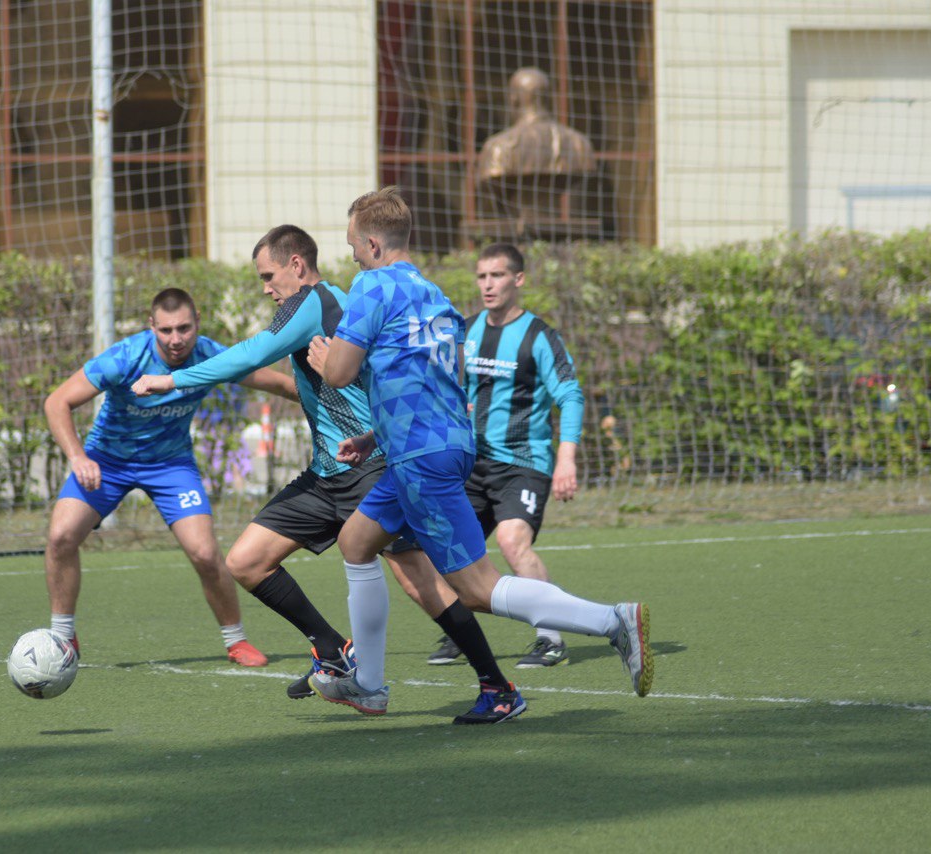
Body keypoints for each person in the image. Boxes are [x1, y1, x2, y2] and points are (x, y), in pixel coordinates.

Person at [132, 226, 512, 723]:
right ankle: (333, 648)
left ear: (296, 264)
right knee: (246, 561)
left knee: (422, 581)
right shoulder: (320, 303)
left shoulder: (311, 300)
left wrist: (171, 379)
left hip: (370, 467)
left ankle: (495, 684)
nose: (266, 287)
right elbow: (291, 375)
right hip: (328, 474)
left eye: (269, 276)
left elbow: (251, 354)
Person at [306, 187, 652, 721]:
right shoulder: (435, 295)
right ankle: (369, 684)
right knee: (355, 541)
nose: (350, 253)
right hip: (437, 446)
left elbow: (341, 374)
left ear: (373, 243)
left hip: (421, 458)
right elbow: (435, 380)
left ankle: (612, 620)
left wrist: (325, 358)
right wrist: (377, 436)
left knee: (476, 589)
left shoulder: (372, 286)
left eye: (352, 243)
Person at [42, 288, 296, 668]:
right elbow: (56, 402)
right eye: (165, 330)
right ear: (151, 327)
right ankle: (62, 636)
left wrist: (331, 399)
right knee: (61, 536)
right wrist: (78, 457)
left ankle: (236, 641)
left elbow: (274, 383)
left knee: (206, 554)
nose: (175, 339)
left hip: (170, 466)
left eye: (183, 328)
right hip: (106, 462)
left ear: (197, 325)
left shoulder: (210, 354)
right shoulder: (126, 357)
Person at [425, 242, 582, 669]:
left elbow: (570, 395)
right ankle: (458, 632)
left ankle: (550, 638)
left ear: (518, 279)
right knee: (448, 546)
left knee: (513, 542)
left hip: (522, 464)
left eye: (497, 275)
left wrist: (566, 459)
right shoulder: (468, 329)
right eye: (481, 276)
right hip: (471, 463)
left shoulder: (539, 336)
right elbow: (446, 385)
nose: (488, 285)